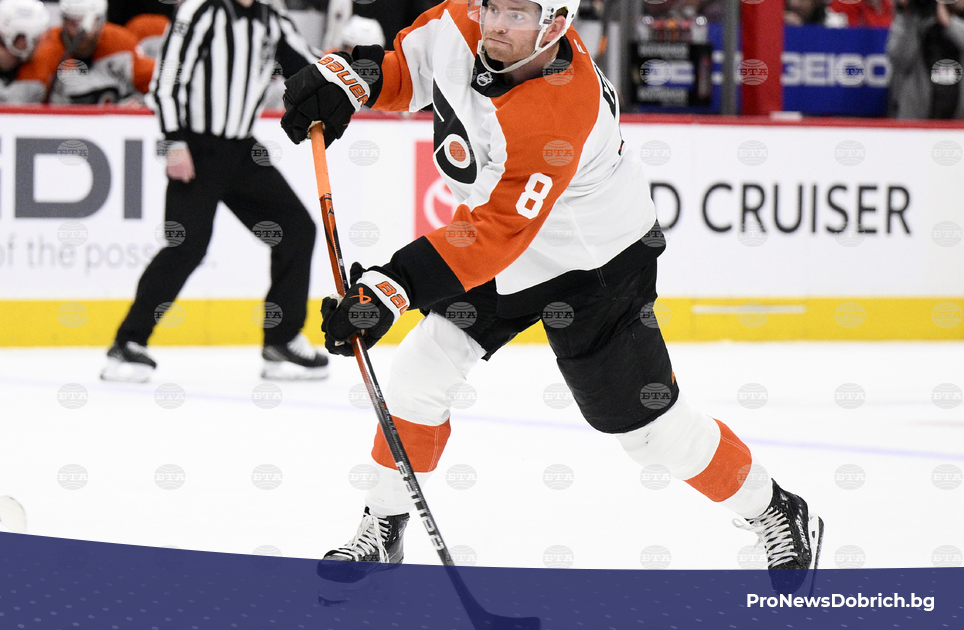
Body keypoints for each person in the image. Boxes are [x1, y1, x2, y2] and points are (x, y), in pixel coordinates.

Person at [280, 0, 824, 597]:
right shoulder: (459, 22)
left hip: (595, 263)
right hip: (504, 238)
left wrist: (393, 285)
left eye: (517, 15)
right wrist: (354, 80)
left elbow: (496, 235)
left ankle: (774, 508)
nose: (495, 23)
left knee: (651, 435)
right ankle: (384, 524)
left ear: (556, 25)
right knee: (419, 371)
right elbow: (410, 70)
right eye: (493, 6)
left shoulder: (560, 107)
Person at [101, 0, 331, 383]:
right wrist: (174, 141)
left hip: (241, 150)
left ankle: (282, 340)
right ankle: (128, 343)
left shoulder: (271, 17)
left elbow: (308, 63)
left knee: (295, 230)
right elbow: (166, 80)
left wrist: (347, 77)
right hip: (195, 145)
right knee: (186, 246)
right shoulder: (200, 11)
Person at [38, 0, 156, 104]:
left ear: (102, 21)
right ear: (63, 20)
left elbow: (156, 83)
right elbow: (32, 101)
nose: (81, 33)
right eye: (73, 23)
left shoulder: (121, 43)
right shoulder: (47, 49)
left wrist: (141, 103)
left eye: (88, 22)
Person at [887, 0, 964, 119]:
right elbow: (899, 61)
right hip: (917, 115)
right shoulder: (909, 20)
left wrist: (949, 23)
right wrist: (909, 14)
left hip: (957, 116)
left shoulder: (957, 20)